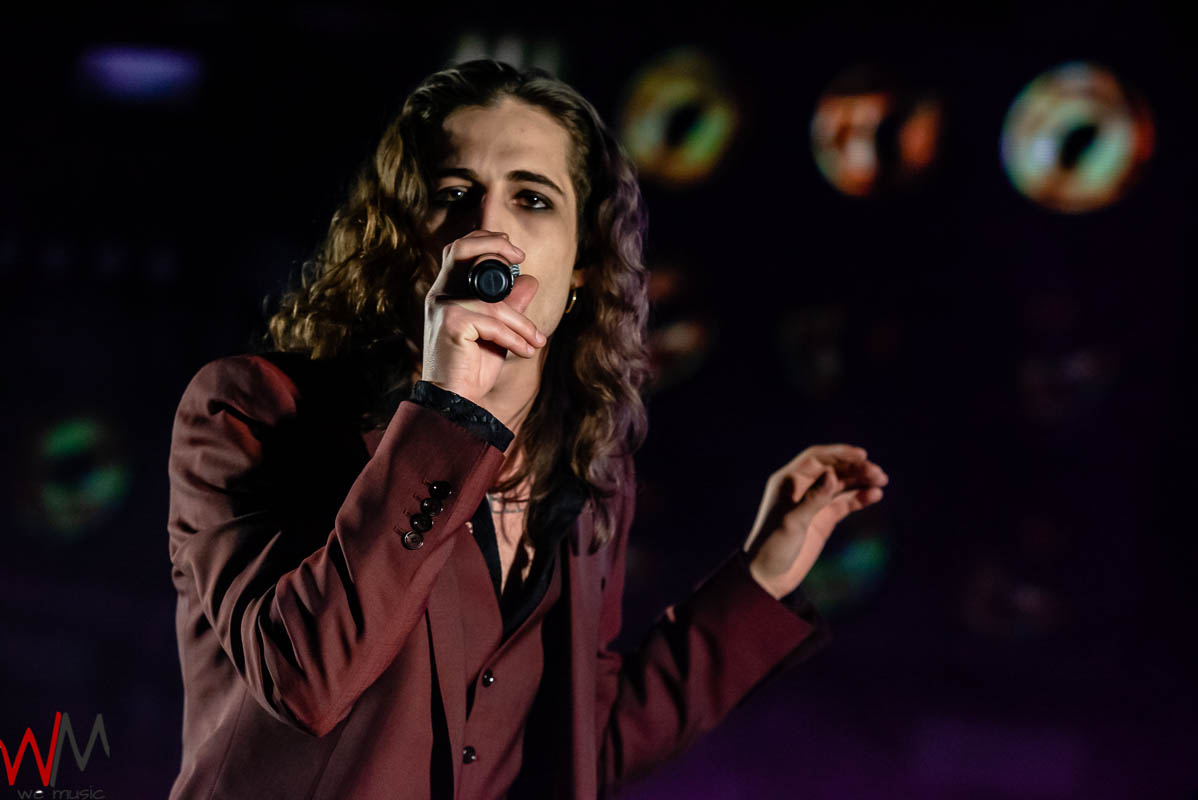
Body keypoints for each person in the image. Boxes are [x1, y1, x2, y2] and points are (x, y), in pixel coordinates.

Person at [165, 58, 888, 800]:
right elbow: (304, 678)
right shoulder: (253, 411)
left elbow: (583, 749)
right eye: (453, 194)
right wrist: (448, 407)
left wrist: (761, 577)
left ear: (581, 265)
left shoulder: (584, 471)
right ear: (403, 238)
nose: (489, 228)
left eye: (533, 199)